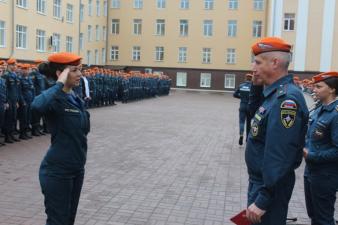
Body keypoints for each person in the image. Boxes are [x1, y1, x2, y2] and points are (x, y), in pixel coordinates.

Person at [245, 37, 309, 224]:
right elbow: (254, 115)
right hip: (263, 182)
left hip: (269, 187)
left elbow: (280, 155)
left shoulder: (286, 100)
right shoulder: (274, 94)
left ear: (275, 63)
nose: (252, 67)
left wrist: (263, 199)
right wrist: (256, 87)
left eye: (257, 62)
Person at [31, 52, 90, 225]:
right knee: (58, 221)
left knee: (68, 220)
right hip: (58, 171)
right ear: (60, 74)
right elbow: (36, 107)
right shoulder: (55, 98)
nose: (80, 74)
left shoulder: (75, 98)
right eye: (74, 70)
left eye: (80, 70)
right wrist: (59, 84)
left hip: (76, 168)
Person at [303, 72, 338, 225]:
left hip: (325, 176)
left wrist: (311, 155)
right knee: (314, 215)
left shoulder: (335, 115)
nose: (314, 90)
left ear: (332, 89)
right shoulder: (319, 109)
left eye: (318, 86)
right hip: (310, 172)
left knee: (323, 218)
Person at [2, 58, 21, 143]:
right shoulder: (6, 75)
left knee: (14, 118)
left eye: (15, 65)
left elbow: (16, 89)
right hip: (9, 100)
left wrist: (17, 101)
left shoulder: (15, 75)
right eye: (13, 65)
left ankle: (11, 134)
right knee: (8, 119)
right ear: (10, 65)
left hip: (14, 100)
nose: (15, 66)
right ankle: (7, 136)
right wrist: (6, 101)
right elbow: (4, 89)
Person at [233, 73, 253, 145]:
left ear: (245, 78)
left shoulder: (241, 85)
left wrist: (241, 97)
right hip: (249, 106)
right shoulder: (253, 87)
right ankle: (247, 138)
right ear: (251, 79)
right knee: (249, 123)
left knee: (241, 122)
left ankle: (241, 135)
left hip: (242, 105)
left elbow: (234, 94)